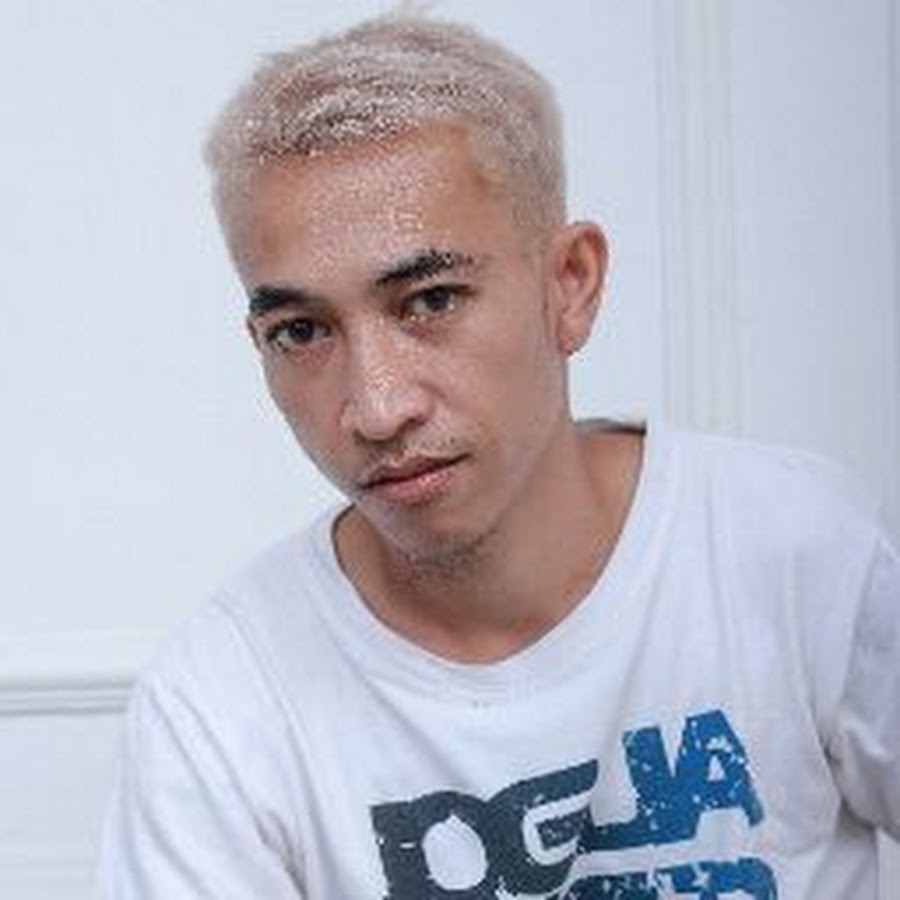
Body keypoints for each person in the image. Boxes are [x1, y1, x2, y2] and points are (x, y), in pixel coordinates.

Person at [97, 12, 900, 899]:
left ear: (570, 285)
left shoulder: (796, 551)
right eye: (302, 330)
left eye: (431, 300)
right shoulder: (218, 704)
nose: (377, 408)